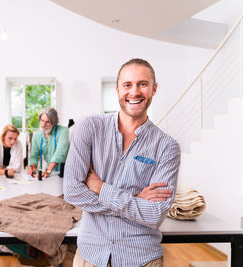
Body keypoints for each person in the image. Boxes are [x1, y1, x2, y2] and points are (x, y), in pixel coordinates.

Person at [64, 58, 181, 267]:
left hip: (141, 258)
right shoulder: (89, 129)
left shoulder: (167, 147)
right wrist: (134, 198)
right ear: (117, 90)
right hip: (90, 256)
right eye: (127, 85)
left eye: (142, 84)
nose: (134, 92)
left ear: (154, 89)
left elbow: (154, 215)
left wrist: (100, 188)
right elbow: (72, 192)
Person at [27, 107, 70, 178]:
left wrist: (48, 171)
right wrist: (32, 166)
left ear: (54, 122)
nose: (43, 125)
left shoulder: (63, 131)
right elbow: (34, 155)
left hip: (62, 173)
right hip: (48, 173)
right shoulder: (37, 135)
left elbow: (60, 153)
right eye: (42, 120)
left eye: (47, 122)